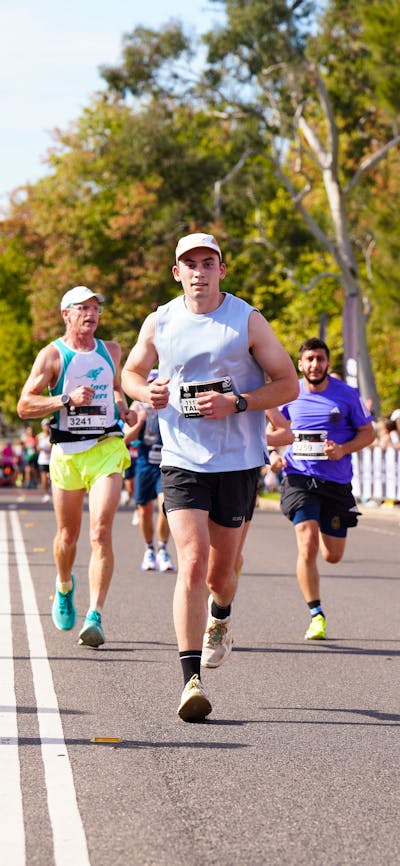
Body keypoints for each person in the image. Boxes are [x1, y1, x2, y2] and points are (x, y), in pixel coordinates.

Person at [121, 231, 299, 722]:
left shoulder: (246, 320)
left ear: (222, 269)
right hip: (181, 460)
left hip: (238, 461)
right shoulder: (161, 321)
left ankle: (220, 617)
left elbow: (288, 383)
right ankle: (190, 681)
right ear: (177, 273)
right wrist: (147, 394)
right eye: (189, 264)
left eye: (208, 262)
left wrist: (237, 402)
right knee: (193, 564)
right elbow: (131, 373)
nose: (199, 271)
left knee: (222, 576)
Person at [17, 285, 135, 647]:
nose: (91, 313)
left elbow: (116, 388)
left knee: (100, 531)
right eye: (82, 308)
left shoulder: (110, 350)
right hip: (67, 453)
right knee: (68, 535)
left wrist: (123, 405)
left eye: (95, 307)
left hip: (106, 447)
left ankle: (95, 615)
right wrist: (65, 399)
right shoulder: (52, 355)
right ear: (66, 314)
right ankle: (64, 584)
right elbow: (24, 405)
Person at [273, 337, 375, 640]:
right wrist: (275, 456)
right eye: (309, 359)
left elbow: (367, 433)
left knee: (332, 555)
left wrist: (343, 449)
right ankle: (316, 614)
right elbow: (271, 432)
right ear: (300, 364)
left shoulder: (346, 395)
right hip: (299, 478)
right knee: (307, 544)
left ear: (327, 363)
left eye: (320, 359)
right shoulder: (289, 393)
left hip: (336, 482)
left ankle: (321, 529)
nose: (314, 364)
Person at [123, 372, 175, 573]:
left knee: (166, 508)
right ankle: (149, 549)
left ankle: (162, 548)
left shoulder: (171, 405)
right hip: (145, 464)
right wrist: (139, 422)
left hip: (167, 464)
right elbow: (125, 439)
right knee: (144, 512)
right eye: (152, 384)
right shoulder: (138, 405)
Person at [37, 418, 52, 502]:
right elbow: (37, 447)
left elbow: (53, 447)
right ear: (42, 427)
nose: (46, 427)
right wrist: (41, 448)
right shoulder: (39, 436)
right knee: (44, 478)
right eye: (45, 425)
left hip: (52, 460)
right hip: (42, 460)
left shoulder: (52, 435)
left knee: (51, 478)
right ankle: (46, 494)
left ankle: (52, 492)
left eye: (48, 425)